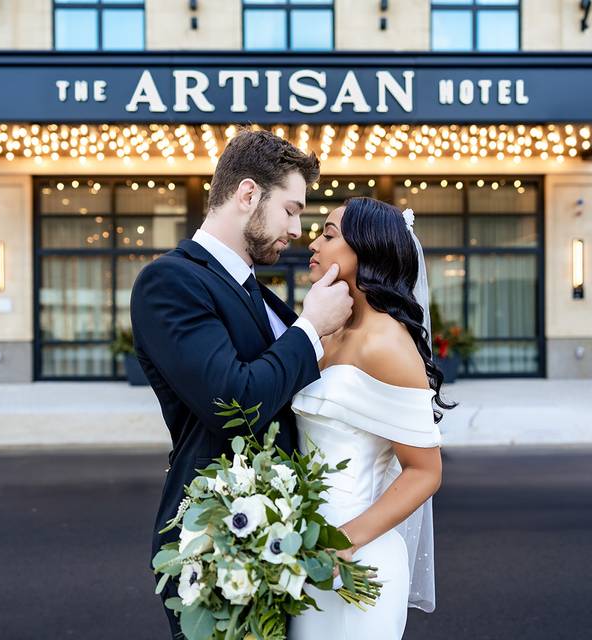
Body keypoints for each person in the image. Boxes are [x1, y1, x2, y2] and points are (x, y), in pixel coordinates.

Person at [129, 129, 353, 639]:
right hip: (216, 551)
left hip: (280, 542)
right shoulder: (170, 282)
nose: (298, 228)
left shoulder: (258, 292)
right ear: (248, 194)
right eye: (291, 210)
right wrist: (311, 328)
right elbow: (235, 402)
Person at [289, 197, 452, 639]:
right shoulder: (328, 330)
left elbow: (425, 471)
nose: (314, 243)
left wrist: (341, 543)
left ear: (367, 249)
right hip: (301, 555)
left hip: (357, 561)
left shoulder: (386, 344)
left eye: (328, 234)